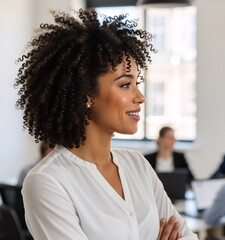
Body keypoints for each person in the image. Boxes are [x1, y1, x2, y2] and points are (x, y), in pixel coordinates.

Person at [15, 9, 196, 239]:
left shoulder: (137, 165)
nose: (140, 96)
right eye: (124, 85)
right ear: (87, 95)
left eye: (136, 83)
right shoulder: (47, 182)